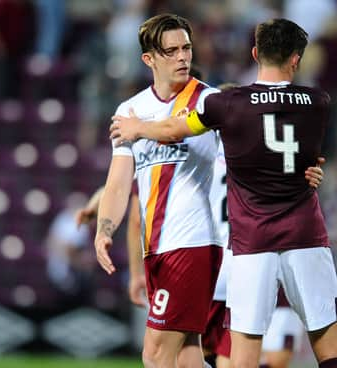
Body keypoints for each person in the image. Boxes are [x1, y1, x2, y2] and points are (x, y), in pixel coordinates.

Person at [110, 18, 337, 368]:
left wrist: (137, 128)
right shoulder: (319, 102)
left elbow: (175, 127)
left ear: (254, 53)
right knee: (329, 349)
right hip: (306, 234)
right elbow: (304, 156)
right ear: (295, 59)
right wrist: (310, 171)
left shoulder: (227, 103)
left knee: (242, 356)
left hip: (253, 241)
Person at [94, 14, 224, 368]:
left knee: (154, 352)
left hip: (192, 242)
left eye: (186, 48)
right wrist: (104, 229)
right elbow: (119, 182)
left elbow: (175, 133)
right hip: (157, 246)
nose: (183, 57)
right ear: (149, 59)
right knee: (186, 355)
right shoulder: (130, 110)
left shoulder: (207, 102)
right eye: (171, 51)